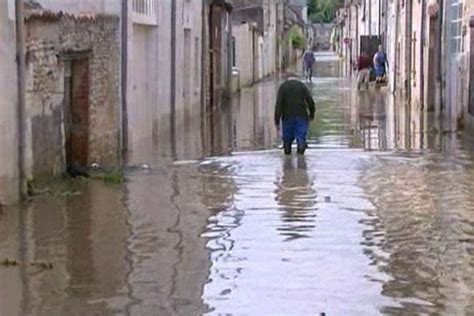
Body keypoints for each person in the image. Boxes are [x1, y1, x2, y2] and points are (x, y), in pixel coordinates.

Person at [275, 74, 316, 155]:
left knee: (287, 138)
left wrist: (276, 120)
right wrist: (311, 114)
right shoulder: (302, 86)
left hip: (287, 116)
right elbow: (310, 101)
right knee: (301, 136)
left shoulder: (283, 87)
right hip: (301, 116)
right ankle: (301, 157)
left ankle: (287, 163)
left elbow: (278, 104)